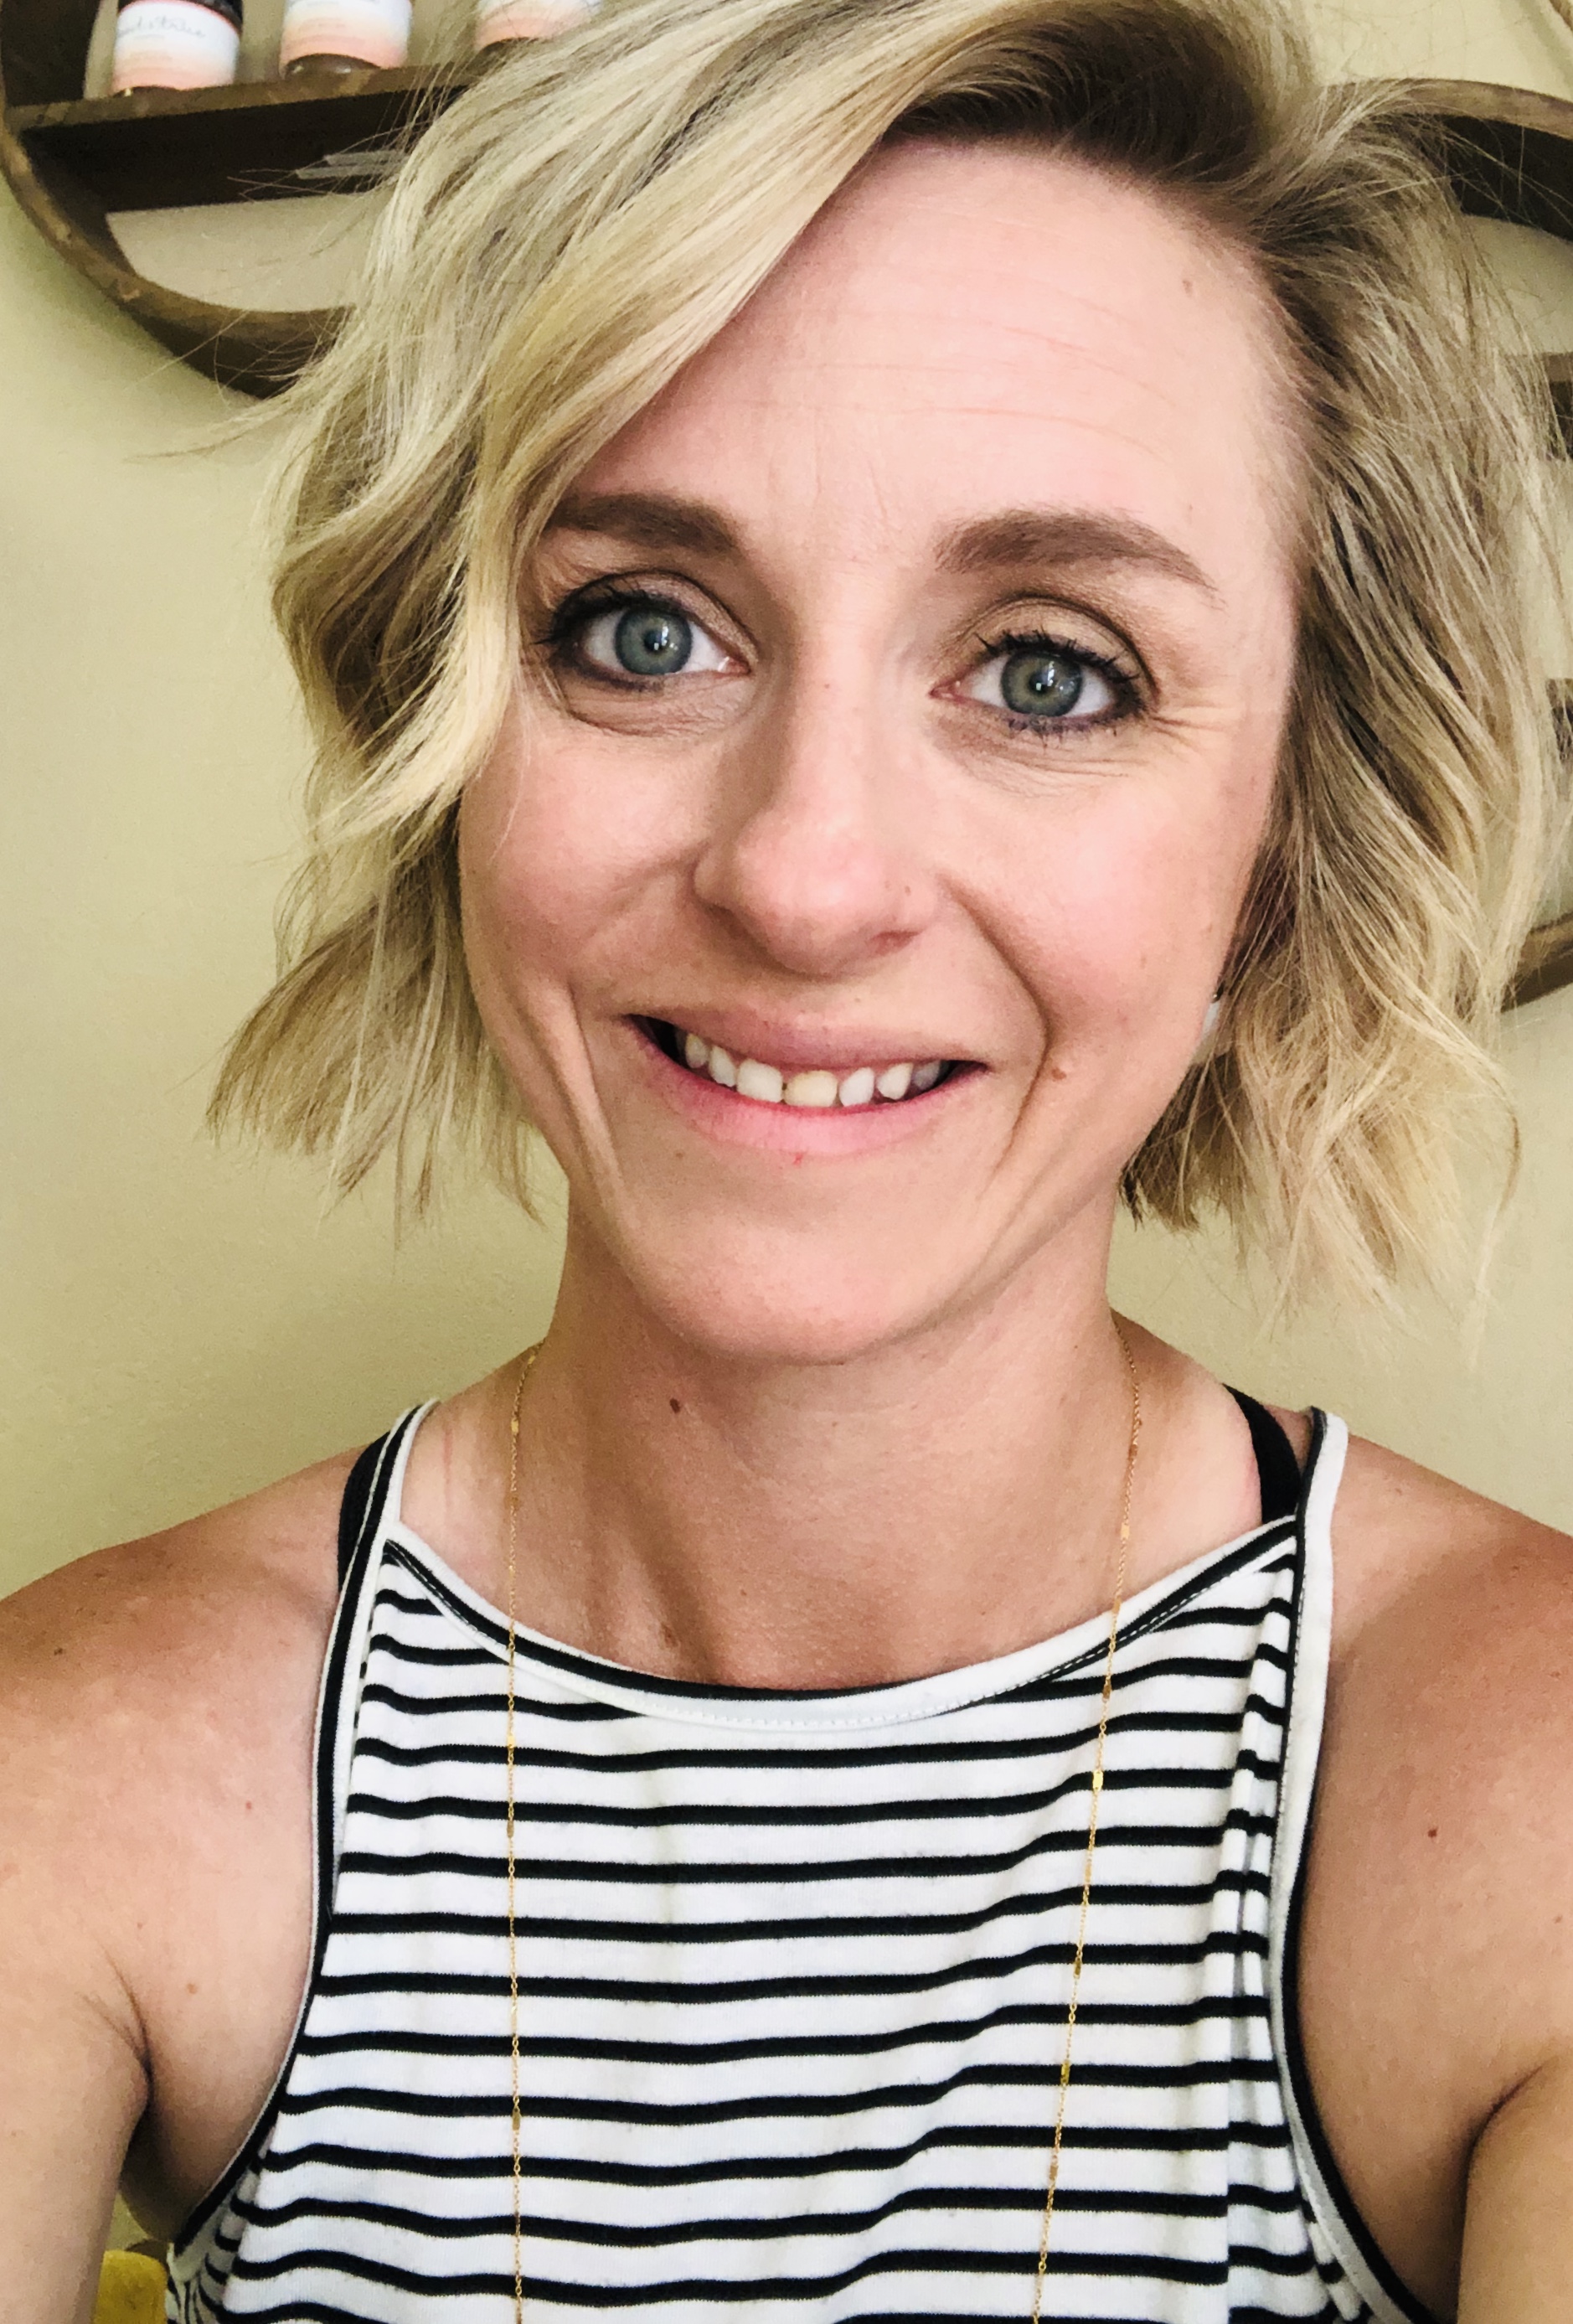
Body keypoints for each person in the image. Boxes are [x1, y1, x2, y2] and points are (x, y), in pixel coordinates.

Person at [3, 0, 1571, 2315]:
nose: (806, 878)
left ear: (1279, 866)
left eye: (1050, 672)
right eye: (644, 630)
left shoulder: (1519, 1788)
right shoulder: (78, 1764)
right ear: (449, 764)